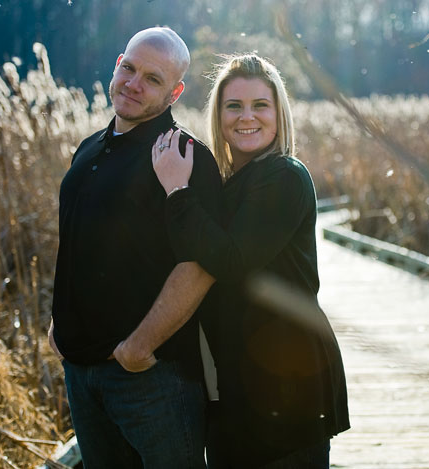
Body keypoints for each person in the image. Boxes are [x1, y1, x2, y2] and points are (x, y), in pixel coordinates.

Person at [150, 54, 350, 468]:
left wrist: (177, 191)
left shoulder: (284, 176)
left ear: (279, 114)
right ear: (218, 115)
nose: (247, 117)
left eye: (260, 105)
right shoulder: (233, 184)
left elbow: (232, 261)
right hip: (240, 384)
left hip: (288, 382)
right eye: (234, 106)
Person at [48, 26, 222, 468]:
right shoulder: (89, 149)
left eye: (153, 79)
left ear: (175, 92)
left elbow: (200, 264)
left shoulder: (184, 156)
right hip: (81, 372)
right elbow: (80, 240)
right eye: (129, 68)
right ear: (116, 65)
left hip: (150, 378)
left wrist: (139, 347)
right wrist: (59, 322)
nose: (133, 83)